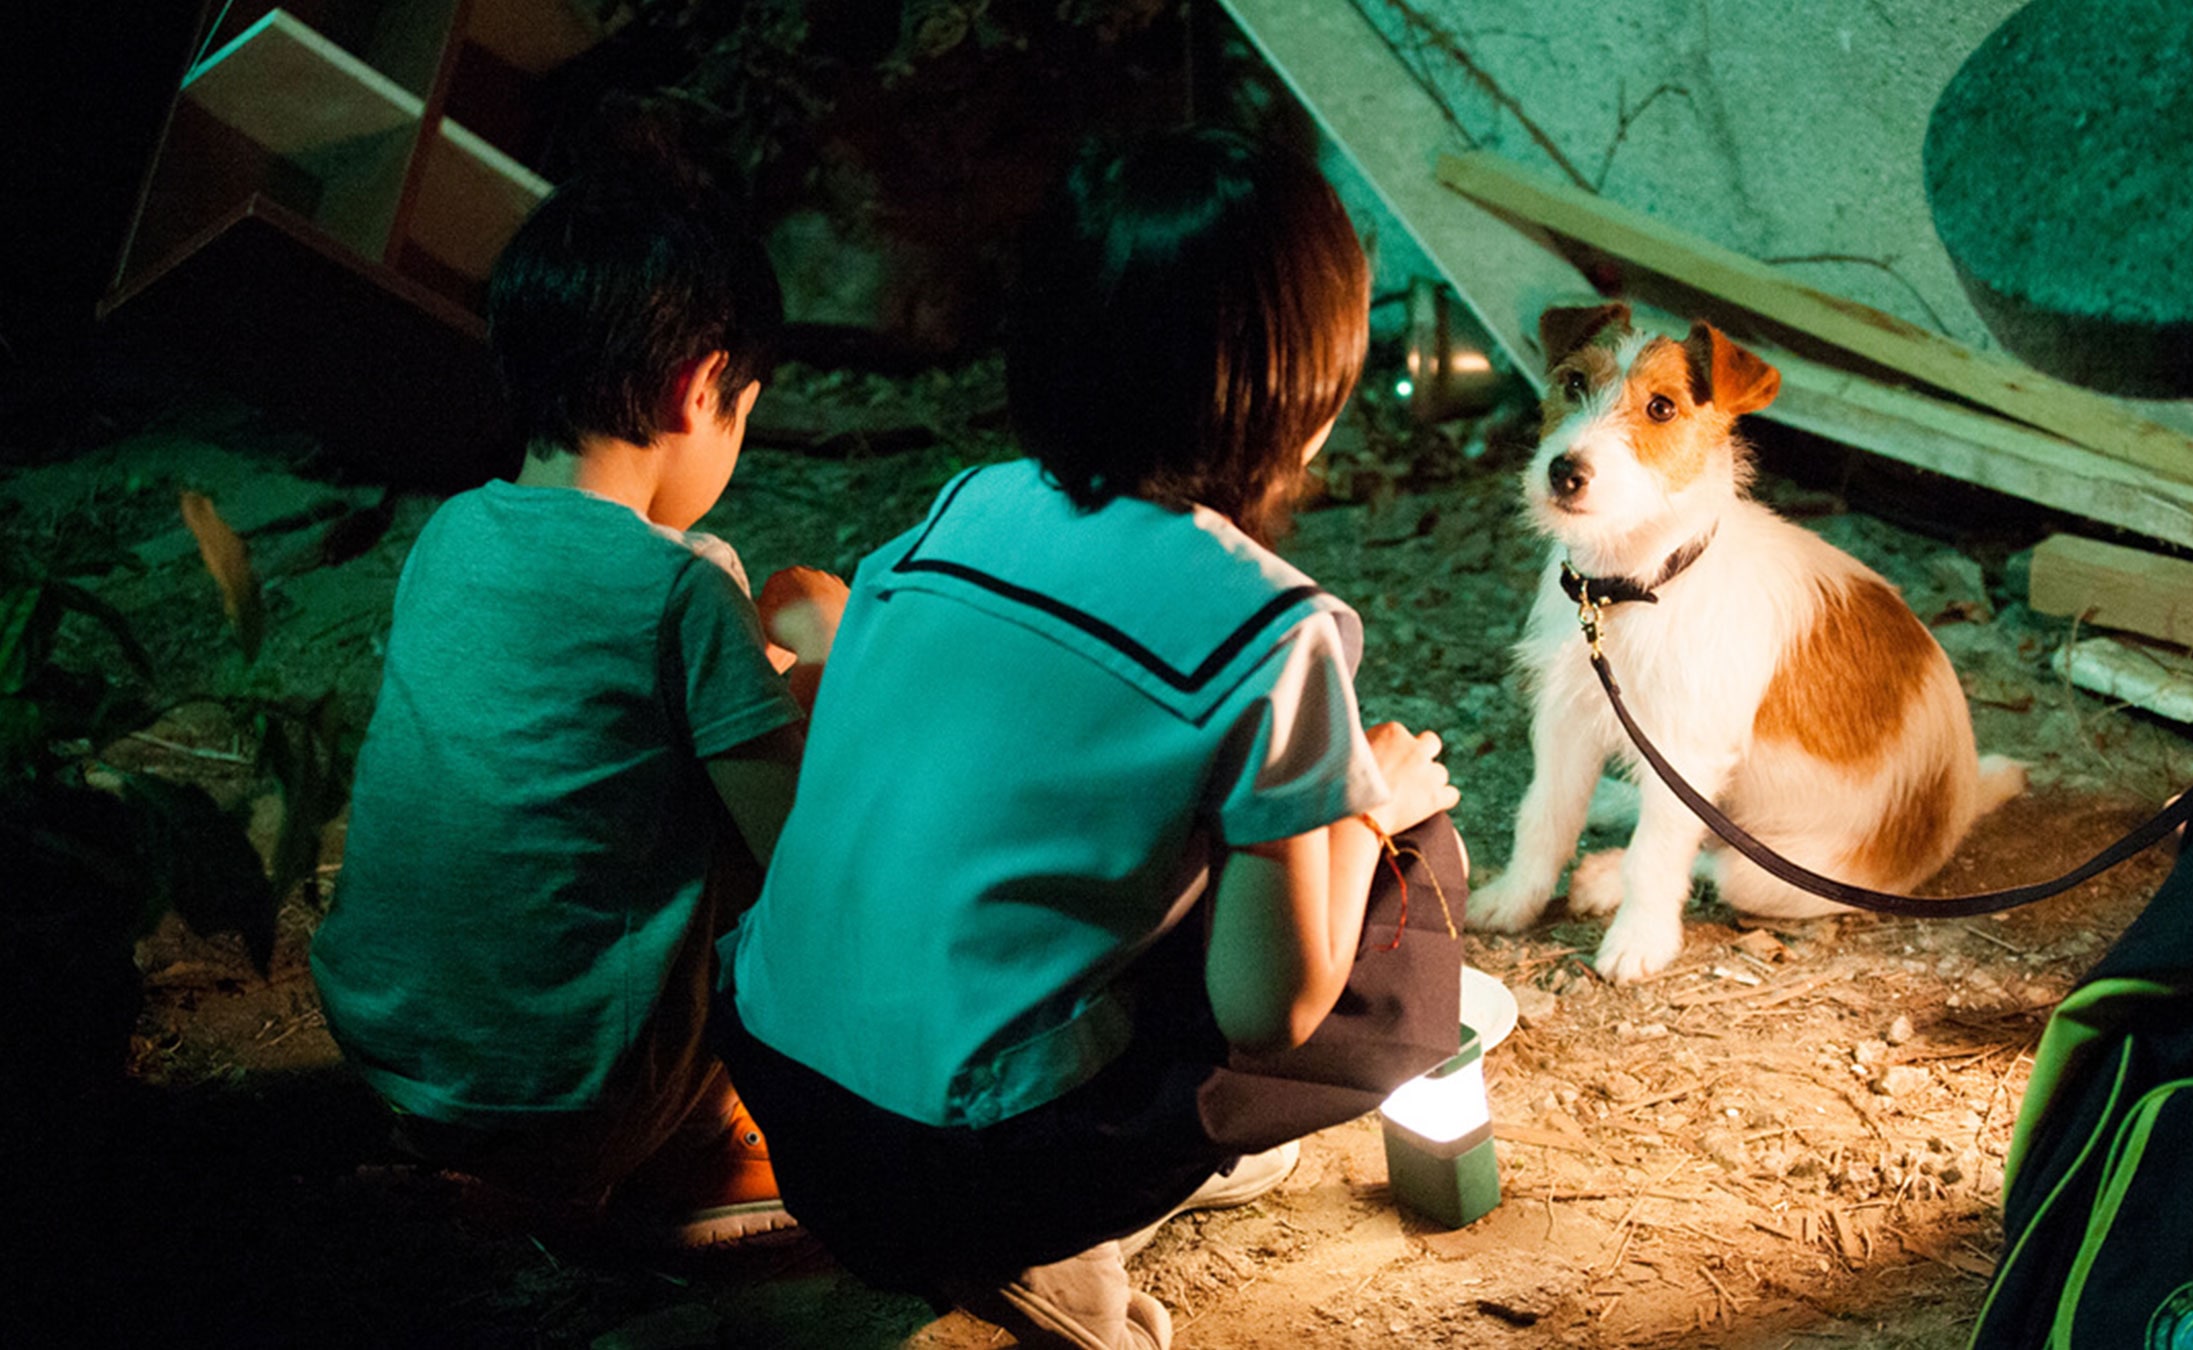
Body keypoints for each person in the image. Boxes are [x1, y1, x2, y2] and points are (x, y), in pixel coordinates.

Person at [717, 126, 1467, 1348]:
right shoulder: (1271, 634)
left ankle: (1058, 1195)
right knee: (1413, 868)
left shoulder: (959, 511)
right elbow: (1272, 1012)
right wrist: (1365, 807)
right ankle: (1055, 1242)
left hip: (787, 1092)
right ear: (1305, 383)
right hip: (959, 1165)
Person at [308, 168, 849, 1247]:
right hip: (574, 1103)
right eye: (743, 414)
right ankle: (706, 1144)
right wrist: (835, 666)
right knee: (799, 766)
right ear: (700, 388)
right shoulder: (682, 584)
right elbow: (803, 856)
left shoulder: (450, 536)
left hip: (391, 1058)